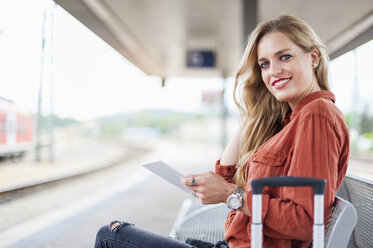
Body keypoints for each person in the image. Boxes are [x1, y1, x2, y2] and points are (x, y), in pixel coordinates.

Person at [94, 15, 349, 248]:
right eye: (264, 64)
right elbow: (224, 177)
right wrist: (256, 111)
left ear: (313, 57)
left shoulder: (317, 114)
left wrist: (230, 195)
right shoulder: (290, 122)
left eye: (285, 57)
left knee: (111, 235)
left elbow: (305, 221)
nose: (273, 71)